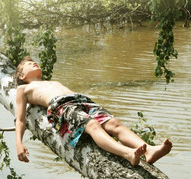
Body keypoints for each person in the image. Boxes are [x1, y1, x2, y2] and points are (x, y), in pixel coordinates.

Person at [14, 56, 172, 166]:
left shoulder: (53, 81)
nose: (34, 63)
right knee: (93, 125)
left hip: (80, 100)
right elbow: (20, 119)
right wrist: (19, 143)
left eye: (34, 62)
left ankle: (149, 150)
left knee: (114, 123)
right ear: (22, 75)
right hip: (61, 106)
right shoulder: (23, 88)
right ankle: (128, 154)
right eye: (29, 64)